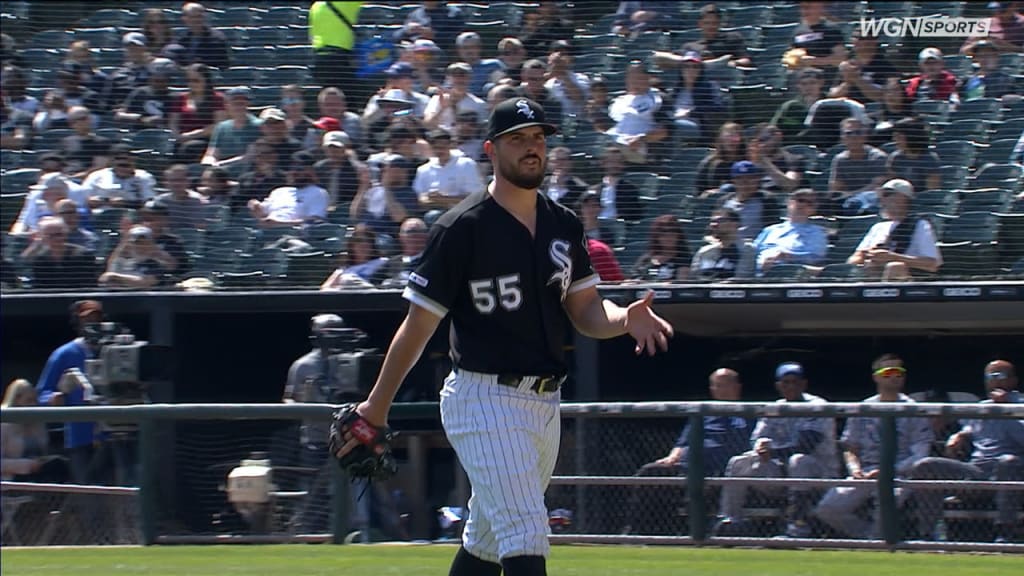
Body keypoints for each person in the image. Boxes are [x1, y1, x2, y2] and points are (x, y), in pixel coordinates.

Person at [333, 97, 674, 576]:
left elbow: (586, 311)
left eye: (538, 137)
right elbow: (418, 325)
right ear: (491, 150)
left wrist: (623, 319)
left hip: (544, 402)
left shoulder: (563, 224)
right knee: (526, 532)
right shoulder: (461, 227)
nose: (532, 147)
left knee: (489, 540)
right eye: (518, 139)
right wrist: (377, 407)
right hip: (483, 397)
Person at [813, 354, 932, 539]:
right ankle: (869, 537)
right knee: (827, 508)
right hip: (865, 472)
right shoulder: (864, 407)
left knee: (886, 500)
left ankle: (879, 541)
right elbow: (850, 447)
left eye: (899, 373)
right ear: (876, 377)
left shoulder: (913, 408)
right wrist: (855, 469)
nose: (894, 377)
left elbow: (921, 454)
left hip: (900, 474)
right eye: (888, 372)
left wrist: (887, 471)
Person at [905, 360, 1024, 543]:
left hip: (1012, 472)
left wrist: (1005, 410)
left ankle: (1005, 533)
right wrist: (959, 435)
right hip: (977, 471)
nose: (995, 381)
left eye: (1000, 376)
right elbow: (971, 430)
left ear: (1013, 380)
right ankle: (929, 534)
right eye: (990, 377)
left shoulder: (1021, 405)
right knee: (926, 465)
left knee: (1007, 461)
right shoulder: (980, 407)